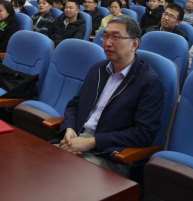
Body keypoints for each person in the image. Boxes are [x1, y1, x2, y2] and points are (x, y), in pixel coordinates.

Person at [59, 15, 164, 177]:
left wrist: (92, 142)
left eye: (115, 37)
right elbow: (75, 104)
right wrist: (69, 128)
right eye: (105, 36)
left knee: (66, 177)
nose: (107, 43)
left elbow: (144, 133)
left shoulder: (148, 81)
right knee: (42, 164)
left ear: (134, 44)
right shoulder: (98, 69)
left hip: (110, 155)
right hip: (77, 141)